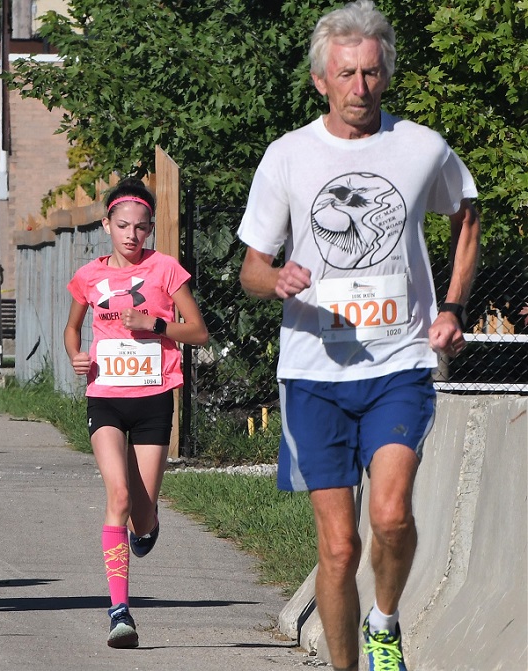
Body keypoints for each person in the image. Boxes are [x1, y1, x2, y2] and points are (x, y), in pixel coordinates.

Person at [237, 2, 480, 670]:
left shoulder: (421, 147)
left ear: (385, 75)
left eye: (371, 73)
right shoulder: (287, 156)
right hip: (313, 372)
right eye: (345, 74)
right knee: (339, 548)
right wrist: (276, 278)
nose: (359, 87)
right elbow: (251, 268)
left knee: (392, 515)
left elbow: (466, 215)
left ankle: (384, 623)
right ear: (321, 79)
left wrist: (452, 306)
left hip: (399, 361)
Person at [63, 178, 209, 648]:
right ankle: (119, 612)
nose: (132, 235)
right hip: (105, 396)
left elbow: (199, 332)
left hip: (152, 398)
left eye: (141, 227)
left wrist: (156, 324)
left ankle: (149, 523)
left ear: (150, 229)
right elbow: (72, 328)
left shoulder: (166, 270)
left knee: (141, 518)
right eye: (123, 225)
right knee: (119, 496)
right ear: (107, 225)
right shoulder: (89, 276)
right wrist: (75, 356)